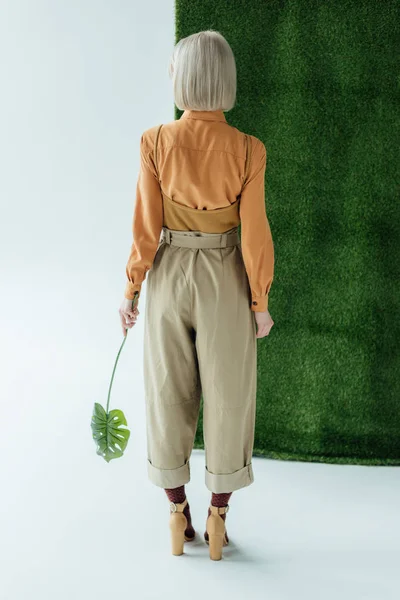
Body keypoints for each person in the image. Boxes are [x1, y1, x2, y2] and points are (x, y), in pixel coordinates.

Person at [118, 30, 274, 560]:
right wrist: (260, 302)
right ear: (225, 80)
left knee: (168, 391)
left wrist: (132, 288)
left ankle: (176, 511)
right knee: (229, 395)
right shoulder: (249, 149)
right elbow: (255, 233)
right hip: (225, 273)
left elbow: (145, 226)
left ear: (181, 79)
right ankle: (218, 517)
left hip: (167, 273)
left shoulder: (154, 141)